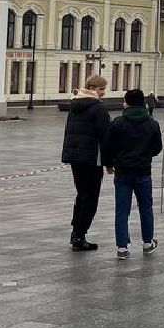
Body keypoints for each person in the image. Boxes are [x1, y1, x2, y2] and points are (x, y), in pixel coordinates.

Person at [103, 88, 164, 258]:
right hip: (143, 171)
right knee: (146, 208)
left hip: (122, 171)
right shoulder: (152, 123)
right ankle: (147, 243)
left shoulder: (117, 123)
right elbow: (157, 147)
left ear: (128, 103)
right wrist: (145, 154)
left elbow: (107, 146)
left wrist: (109, 164)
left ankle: (122, 247)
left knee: (122, 210)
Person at [62, 75, 110, 251]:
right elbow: (105, 136)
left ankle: (76, 232)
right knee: (90, 197)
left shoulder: (74, 106)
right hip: (92, 159)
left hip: (76, 157)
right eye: (101, 89)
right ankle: (79, 234)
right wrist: (109, 162)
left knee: (82, 194)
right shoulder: (98, 108)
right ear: (92, 88)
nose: (104, 92)